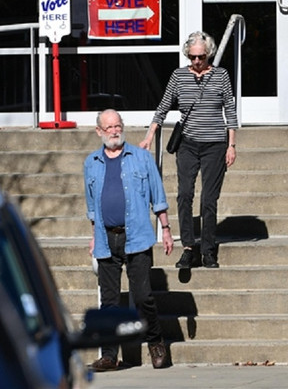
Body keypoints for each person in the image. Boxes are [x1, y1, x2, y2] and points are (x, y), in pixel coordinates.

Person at [84, 109, 173, 371]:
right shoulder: (91, 162)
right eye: (109, 127)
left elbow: (158, 197)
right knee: (109, 301)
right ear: (99, 131)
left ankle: (156, 341)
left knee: (143, 295)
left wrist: (166, 229)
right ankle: (110, 355)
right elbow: (91, 206)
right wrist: (93, 237)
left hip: (137, 237)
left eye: (118, 125)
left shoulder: (142, 158)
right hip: (105, 238)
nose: (114, 130)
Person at [140, 31, 238, 269]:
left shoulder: (221, 76)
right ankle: (187, 248)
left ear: (209, 55)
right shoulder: (179, 76)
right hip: (188, 144)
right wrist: (149, 136)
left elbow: (231, 113)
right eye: (192, 57)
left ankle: (208, 249)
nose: (196, 62)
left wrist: (231, 145)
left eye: (201, 57)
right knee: (184, 195)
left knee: (208, 200)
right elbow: (162, 108)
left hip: (215, 144)